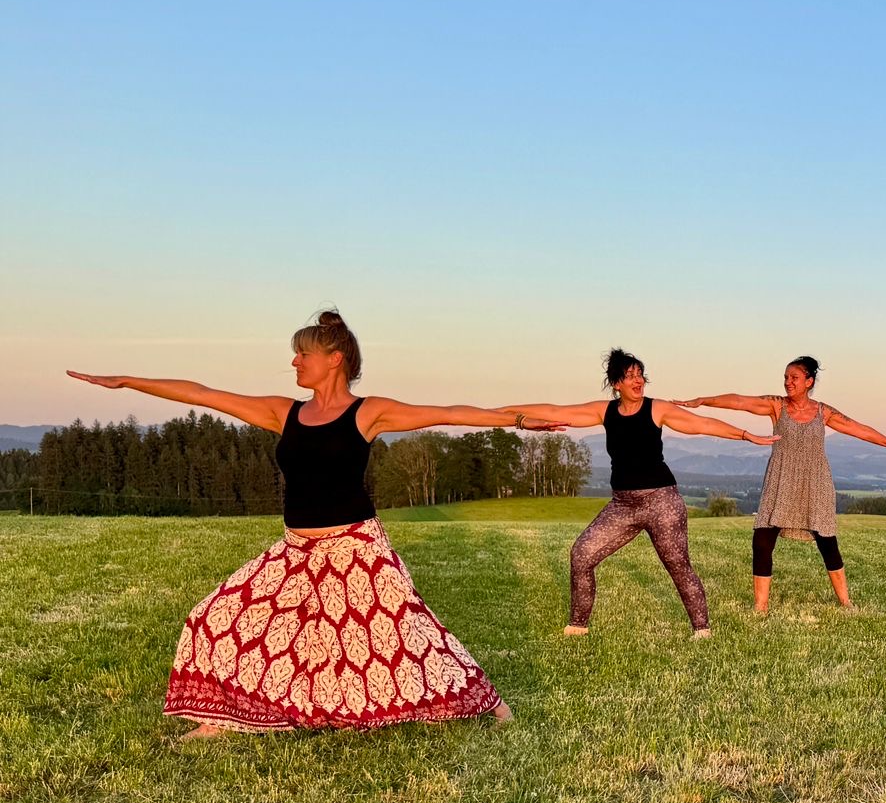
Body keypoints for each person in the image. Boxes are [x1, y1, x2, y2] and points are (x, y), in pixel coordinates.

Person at [68, 311, 557, 737]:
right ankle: (219, 717)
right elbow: (204, 393)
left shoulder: (369, 413)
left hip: (356, 550)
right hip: (296, 550)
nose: (295, 362)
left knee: (406, 636)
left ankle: (489, 702)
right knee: (216, 618)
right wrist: (128, 381)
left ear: (335, 358)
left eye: (302, 354)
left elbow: (449, 413)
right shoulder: (286, 413)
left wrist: (516, 419)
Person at [504, 348, 778, 636]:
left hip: (662, 502)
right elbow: (555, 412)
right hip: (622, 504)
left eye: (640, 375)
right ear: (616, 384)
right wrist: (509, 414)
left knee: (678, 565)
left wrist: (748, 436)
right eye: (630, 376)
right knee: (582, 555)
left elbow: (703, 425)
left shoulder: (656, 409)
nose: (638, 381)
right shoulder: (605, 410)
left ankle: (702, 629)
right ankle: (578, 625)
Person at [680, 356, 886, 611]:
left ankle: (846, 603)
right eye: (785, 377)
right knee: (762, 540)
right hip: (780, 480)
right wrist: (704, 401)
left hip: (816, 482)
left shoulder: (824, 412)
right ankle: (761, 606)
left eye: (794, 378)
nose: (788, 382)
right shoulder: (776, 406)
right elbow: (739, 401)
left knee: (827, 542)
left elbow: (858, 429)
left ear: (809, 381)